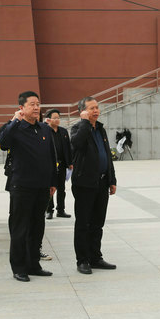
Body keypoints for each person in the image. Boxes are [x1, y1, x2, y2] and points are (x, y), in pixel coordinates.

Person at [0, 91, 57, 282]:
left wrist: (53, 181)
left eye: (38, 104)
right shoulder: (14, 127)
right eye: (32, 104)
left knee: (37, 227)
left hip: (42, 186)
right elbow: (2, 142)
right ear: (21, 108)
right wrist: (15, 120)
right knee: (20, 228)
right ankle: (19, 267)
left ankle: (33, 264)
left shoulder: (44, 128)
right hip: (21, 186)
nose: (36, 107)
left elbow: (52, 156)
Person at [70, 96, 117, 275]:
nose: (96, 111)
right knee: (83, 223)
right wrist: (84, 123)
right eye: (91, 108)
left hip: (102, 182)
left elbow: (107, 156)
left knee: (98, 223)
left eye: (97, 107)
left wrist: (112, 180)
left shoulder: (100, 129)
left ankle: (95, 257)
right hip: (84, 183)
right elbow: (76, 144)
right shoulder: (78, 128)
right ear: (82, 111)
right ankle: (82, 260)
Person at [45, 108, 72, 219]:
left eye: (58, 118)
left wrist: (70, 163)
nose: (57, 120)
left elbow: (68, 148)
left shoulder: (63, 132)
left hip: (61, 164)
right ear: (49, 119)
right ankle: (49, 210)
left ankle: (61, 210)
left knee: (61, 188)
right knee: (50, 188)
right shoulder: (45, 131)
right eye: (55, 118)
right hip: (49, 165)